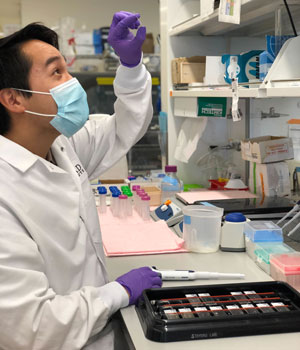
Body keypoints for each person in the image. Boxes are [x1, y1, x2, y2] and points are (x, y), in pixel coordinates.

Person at [0, 11, 162, 350]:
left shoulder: (60, 143)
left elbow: (123, 127)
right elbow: (32, 327)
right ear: (14, 98)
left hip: (103, 331)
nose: (72, 82)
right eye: (57, 72)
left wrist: (131, 66)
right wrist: (117, 292)